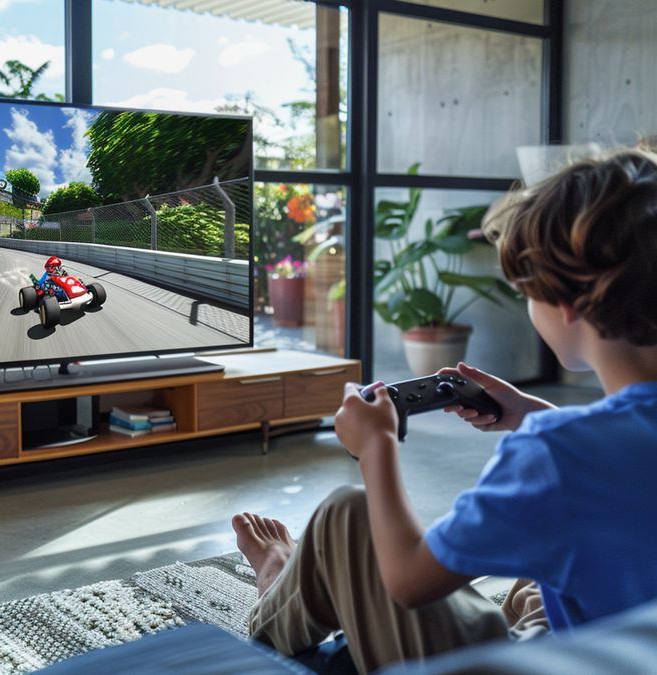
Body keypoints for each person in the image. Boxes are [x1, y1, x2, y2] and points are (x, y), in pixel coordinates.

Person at [231, 147, 657, 673]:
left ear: (566, 304)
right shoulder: (568, 441)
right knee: (543, 568)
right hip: (622, 636)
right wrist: (533, 412)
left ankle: (275, 588)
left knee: (346, 516)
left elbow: (409, 581)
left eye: (527, 292)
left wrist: (376, 447)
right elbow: (625, 458)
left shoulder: (554, 454)